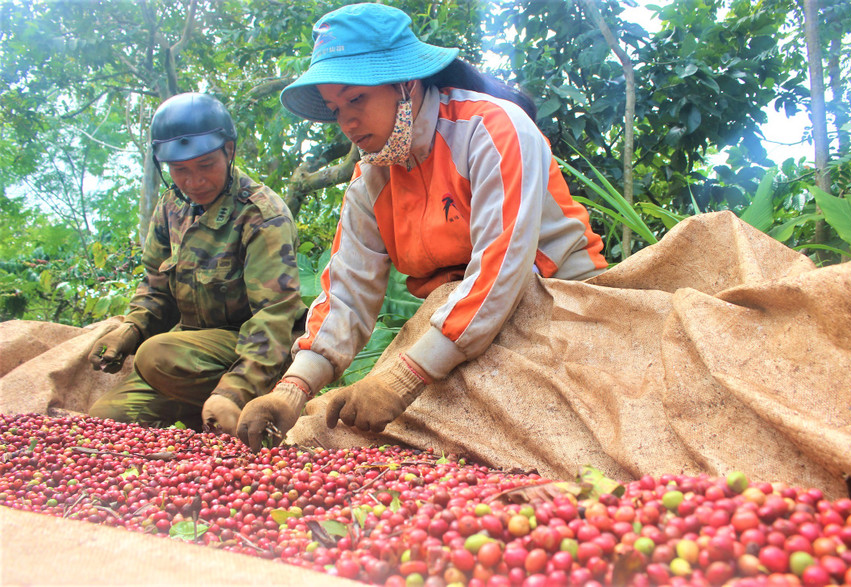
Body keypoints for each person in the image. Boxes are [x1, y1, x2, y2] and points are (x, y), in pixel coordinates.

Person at [234, 3, 607, 451]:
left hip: (557, 306)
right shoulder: (370, 179)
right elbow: (347, 292)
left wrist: (404, 378)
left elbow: (502, 269)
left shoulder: (493, 129)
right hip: (454, 331)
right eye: (335, 108)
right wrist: (292, 390)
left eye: (356, 99)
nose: (346, 121)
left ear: (406, 84)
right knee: (340, 437)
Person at [88, 92, 308, 435]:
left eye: (205, 166)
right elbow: (155, 288)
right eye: (180, 170)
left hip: (257, 354)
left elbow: (274, 317)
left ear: (229, 151)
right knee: (104, 418)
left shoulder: (261, 215)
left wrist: (234, 392)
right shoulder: (171, 207)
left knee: (155, 356)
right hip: (191, 355)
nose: (193, 181)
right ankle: (204, 410)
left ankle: (244, 403)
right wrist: (131, 329)